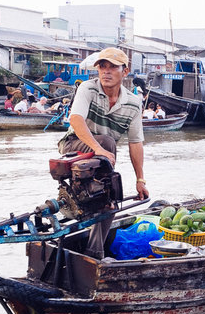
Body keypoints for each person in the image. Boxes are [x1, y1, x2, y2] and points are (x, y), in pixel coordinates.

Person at [57, 47, 148, 259]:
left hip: (103, 159)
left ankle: (94, 253)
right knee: (107, 143)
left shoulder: (133, 104)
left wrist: (140, 179)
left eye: (112, 67)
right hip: (73, 145)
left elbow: (136, 143)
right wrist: (98, 148)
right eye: (102, 67)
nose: (106, 72)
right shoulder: (88, 89)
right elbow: (76, 119)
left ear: (125, 72)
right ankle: (97, 192)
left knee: (109, 204)